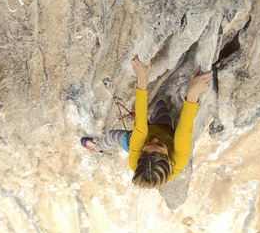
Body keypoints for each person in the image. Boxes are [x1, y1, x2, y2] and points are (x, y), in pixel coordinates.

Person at [81, 55, 212, 189]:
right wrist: (193, 93)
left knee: (112, 136)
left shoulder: (135, 161)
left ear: (141, 154)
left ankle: (97, 148)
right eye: (160, 145)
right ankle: (151, 133)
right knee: (161, 105)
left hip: (135, 141)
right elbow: (184, 132)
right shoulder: (179, 159)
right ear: (168, 158)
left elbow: (141, 128)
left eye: (149, 145)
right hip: (163, 130)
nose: (155, 140)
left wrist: (142, 77)